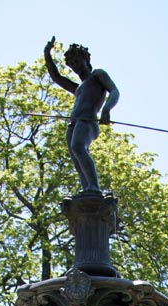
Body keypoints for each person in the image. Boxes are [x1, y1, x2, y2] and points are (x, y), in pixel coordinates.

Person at [44, 37, 120, 193]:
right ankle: (88, 189)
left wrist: (106, 109)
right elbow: (56, 77)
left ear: (85, 59)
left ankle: (94, 187)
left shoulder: (97, 75)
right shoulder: (78, 88)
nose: (75, 66)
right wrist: (47, 54)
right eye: (72, 64)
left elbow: (114, 91)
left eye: (77, 61)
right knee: (77, 161)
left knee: (78, 147)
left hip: (87, 121)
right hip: (74, 123)